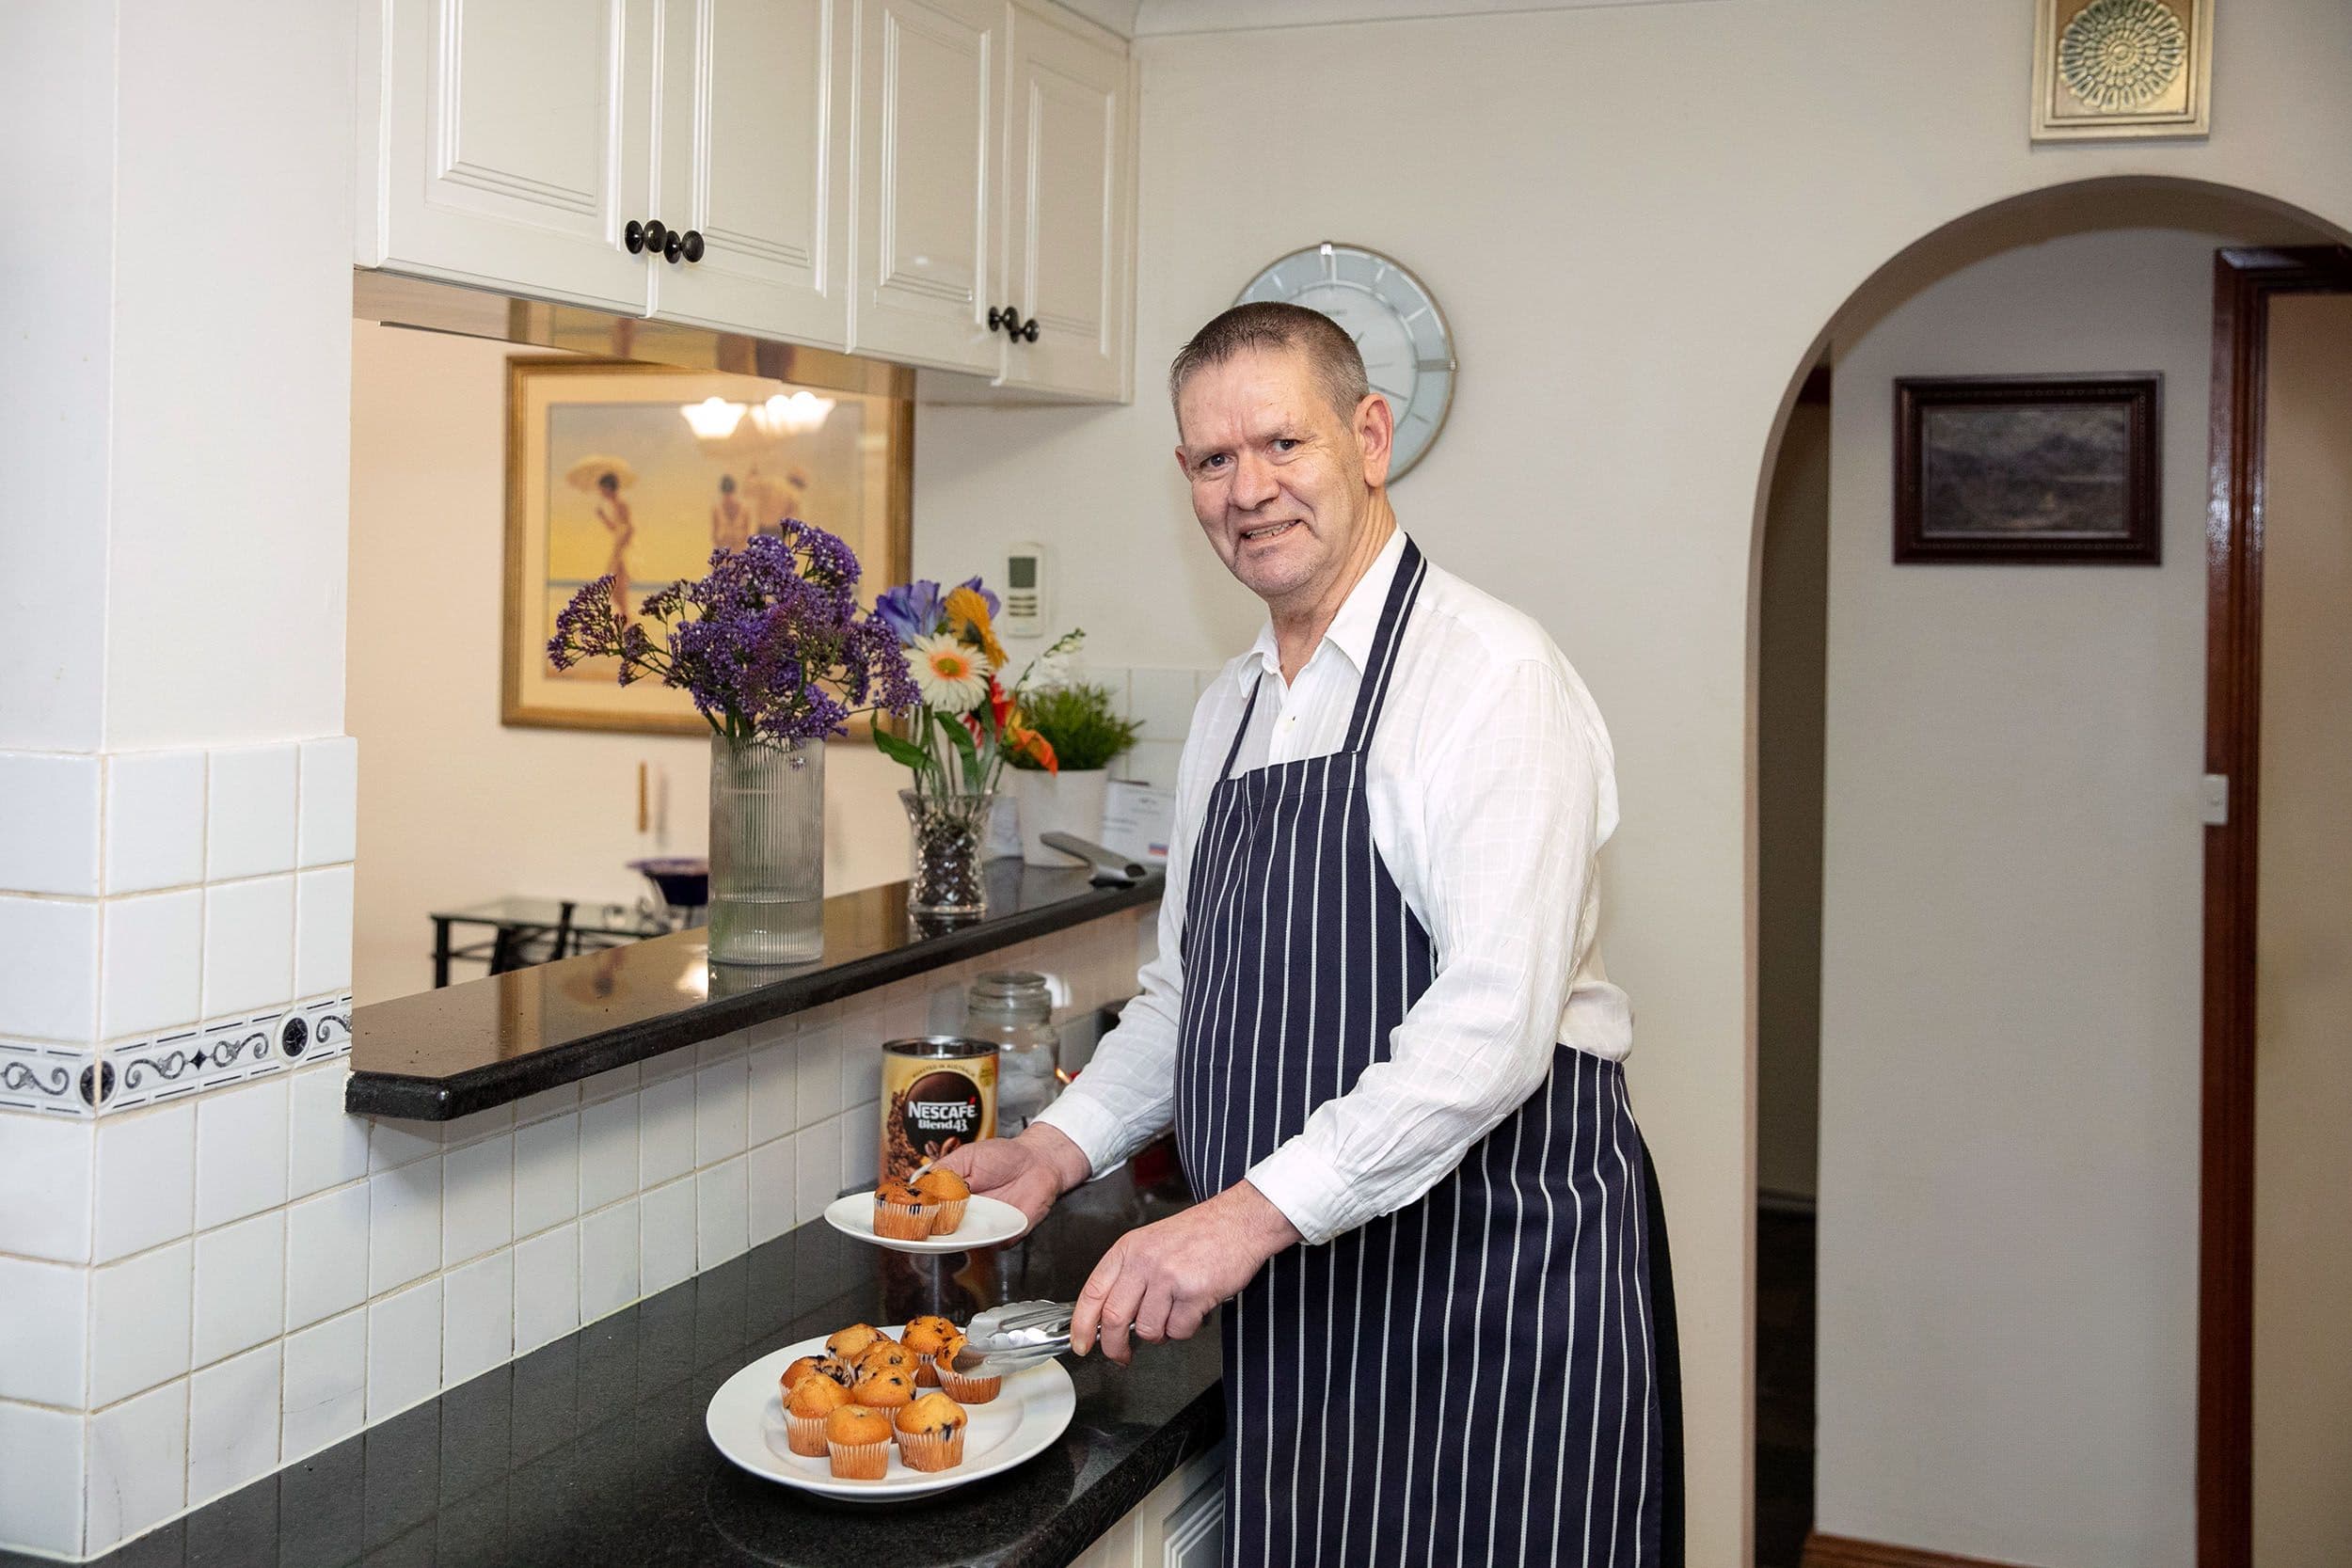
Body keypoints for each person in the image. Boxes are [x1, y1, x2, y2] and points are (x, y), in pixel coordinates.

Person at [936, 302, 1661, 1565]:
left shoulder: (1488, 673)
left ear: (1369, 436)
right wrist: (1058, 1146)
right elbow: (1186, 994)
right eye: (1214, 459)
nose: (1249, 488)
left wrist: (1238, 1216)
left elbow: (1490, 1029)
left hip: (1490, 1281)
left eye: (1284, 442)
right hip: (1305, 1285)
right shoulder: (1230, 708)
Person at [594, 469, 634, 616]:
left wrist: (620, 550)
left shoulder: (621, 504)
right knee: (615, 586)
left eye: (602, 489)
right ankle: (625, 616)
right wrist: (603, 517)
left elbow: (630, 528)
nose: (601, 492)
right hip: (619, 548)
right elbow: (615, 529)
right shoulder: (616, 505)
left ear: (609, 488)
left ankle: (625, 617)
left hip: (623, 550)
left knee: (617, 586)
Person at [710, 473, 751, 552]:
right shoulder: (717, 510)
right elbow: (714, 534)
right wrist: (721, 545)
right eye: (726, 494)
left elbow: (747, 532)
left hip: (739, 552)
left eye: (730, 493)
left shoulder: (744, 510)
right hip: (723, 552)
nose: (728, 497)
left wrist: (739, 543)